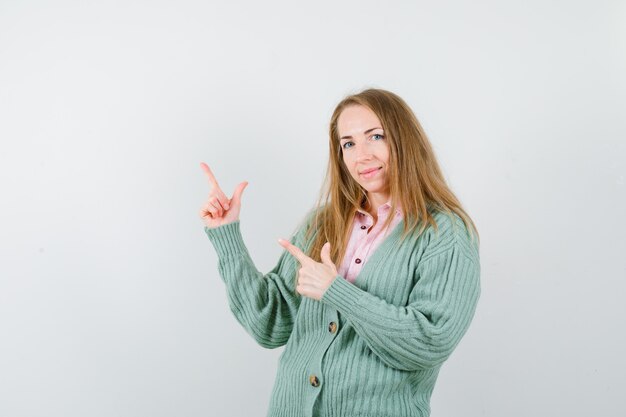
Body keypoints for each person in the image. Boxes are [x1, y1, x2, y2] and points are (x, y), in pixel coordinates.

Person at [199, 88, 481, 417]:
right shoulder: (322, 224)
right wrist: (225, 234)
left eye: (375, 136)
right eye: (348, 143)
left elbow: (430, 342)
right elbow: (270, 324)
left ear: (405, 140)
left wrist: (336, 291)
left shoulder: (444, 233)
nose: (361, 156)